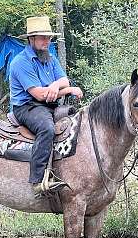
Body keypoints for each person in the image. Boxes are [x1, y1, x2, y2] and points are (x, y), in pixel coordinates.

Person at [8, 16, 83, 195]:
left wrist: (56, 85)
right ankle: (38, 179)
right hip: (28, 107)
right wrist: (67, 90)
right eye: (42, 37)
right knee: (47, 129)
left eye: (48, 37)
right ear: (31, 39)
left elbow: (63, 79)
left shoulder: (50, 58)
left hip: (49, 105)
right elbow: (40, 94)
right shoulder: (21, 62)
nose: (47, 41)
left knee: (77, 125)